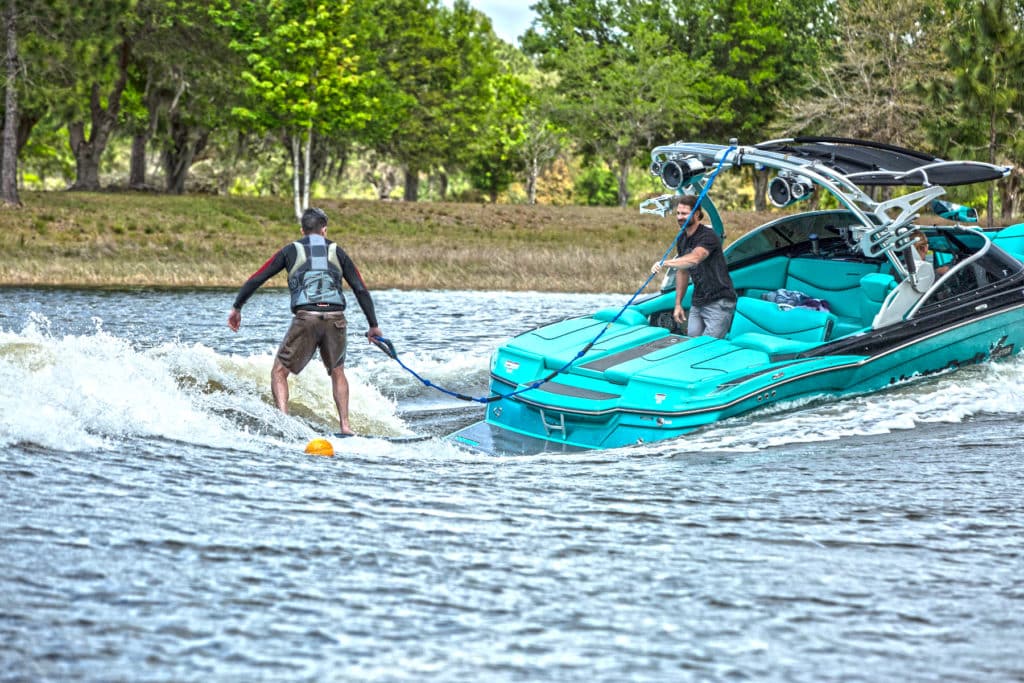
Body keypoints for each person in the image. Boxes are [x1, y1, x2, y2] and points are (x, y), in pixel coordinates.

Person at [227, 207, 383, 436]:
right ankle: (346, 427)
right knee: (338, 371)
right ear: (324, 230)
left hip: (306, 317)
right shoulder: (338, 251)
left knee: (279, 371)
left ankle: (283, 421)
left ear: (302, 230)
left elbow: (258, 278)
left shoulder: (290, 250)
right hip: (335, 318)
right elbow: (360, 288)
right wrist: (373, 325)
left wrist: (237, 307)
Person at [651, 194, 737, 338]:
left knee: (707, 347)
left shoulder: (708, 236)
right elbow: (683, 271)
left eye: (684, 213)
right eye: (678, 213)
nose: (679, 217)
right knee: (692, 343)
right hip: (698, 301)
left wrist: (665, 263)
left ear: (696, 214)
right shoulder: (682, 238)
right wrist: (678, 304)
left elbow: (695, 258)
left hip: (719, 301)